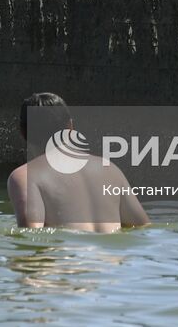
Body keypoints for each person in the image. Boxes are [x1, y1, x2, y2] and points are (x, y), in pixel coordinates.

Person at [8, 93, 149, 231]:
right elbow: (143, 227)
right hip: (113, 247)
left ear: (23, 132)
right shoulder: (110, 169)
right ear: (70, 127)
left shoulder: (25, 176)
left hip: (70, 246)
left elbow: (31, 236)